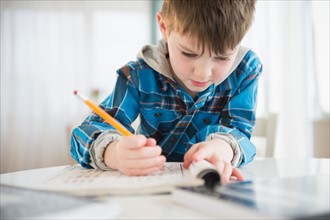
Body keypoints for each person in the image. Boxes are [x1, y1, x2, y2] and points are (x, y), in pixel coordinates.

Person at [70, 0, 262, 184]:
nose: (203, 73)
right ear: (164, 26)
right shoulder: (139, 75)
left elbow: (240, 133)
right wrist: (115, 154)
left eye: (222, 57)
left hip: (209, 186)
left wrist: (222, 149)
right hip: (147, 192)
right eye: (189, 53)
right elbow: (84, 134)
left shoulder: (245, 70)